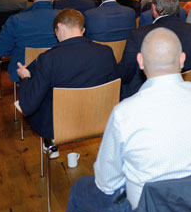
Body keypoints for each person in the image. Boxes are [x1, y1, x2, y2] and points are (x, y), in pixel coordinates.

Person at [66, 28, 191, 212]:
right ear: (182, 59)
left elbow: (107, 183)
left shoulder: (124, 113)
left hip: (146, 211)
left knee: (80, 189)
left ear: (140, 61)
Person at [16, 8, 117, 142]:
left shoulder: (49, 59)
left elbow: (28, 106)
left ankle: (50, 146)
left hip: (58, 126)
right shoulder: (106, 52)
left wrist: (25, 77)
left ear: (60, 27)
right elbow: (114, 90)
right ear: (82, 30)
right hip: (98, 119)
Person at [118, 0, 191, 98]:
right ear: (177, 7)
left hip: (147, 95)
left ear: (153, 8)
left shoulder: (138, 35)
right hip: (187, 92)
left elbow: (125, 73)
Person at [0, 0, 59, 83]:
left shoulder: (16, 20)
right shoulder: (65, 19)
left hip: (25, 74)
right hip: (58, 74)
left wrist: (18, 49)